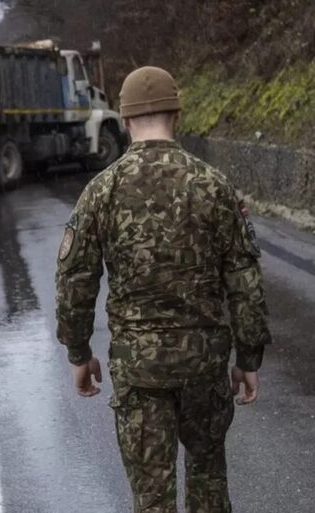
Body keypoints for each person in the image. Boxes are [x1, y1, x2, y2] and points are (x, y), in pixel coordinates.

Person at [55, 66, 272, 513]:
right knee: (209, 481)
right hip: (205, 365)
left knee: (151, 499)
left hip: (138, 371)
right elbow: (245, 281)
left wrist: (79, 354)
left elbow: (74, 280)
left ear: (125, 120)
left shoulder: (102, 191)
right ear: (177, 115)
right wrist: (248, 359)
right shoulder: (214, 186)